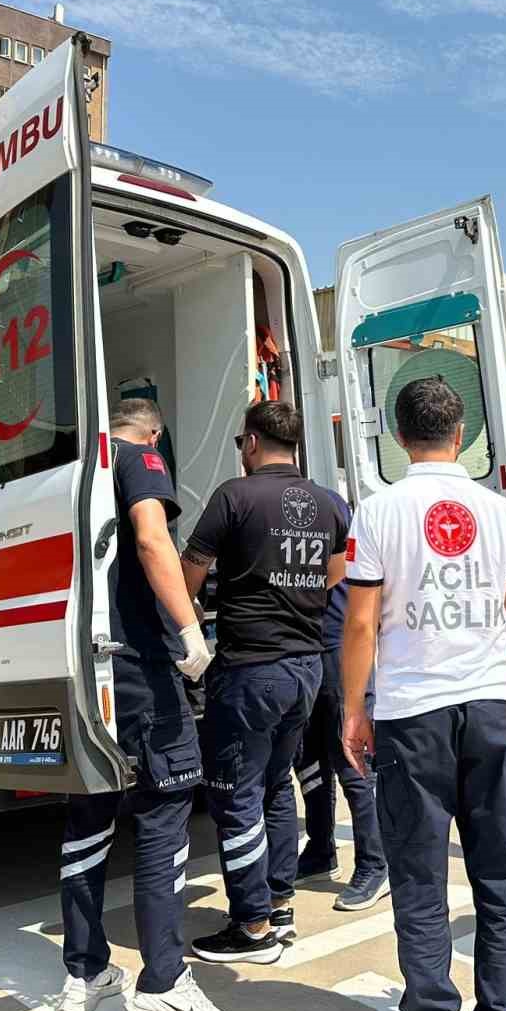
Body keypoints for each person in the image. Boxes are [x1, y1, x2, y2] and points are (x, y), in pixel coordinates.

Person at [340, 376, 506, 1011]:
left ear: (399, 439)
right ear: (463, 435)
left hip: (413, 715)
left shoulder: (377, 511)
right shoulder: (502, 512)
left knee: (419, 878)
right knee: (499, 876)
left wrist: (353, 707)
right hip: (490, 706)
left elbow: (361, 625)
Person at [57, 399, 238, 1011]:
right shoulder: (138, 457)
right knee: (166, 810)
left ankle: (84, 971)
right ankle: (164, 980)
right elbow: (151, 535)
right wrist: (190, 632)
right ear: (154, 430)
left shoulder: (72, 472)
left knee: (88, 814)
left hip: (81, 669)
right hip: (139, 668)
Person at [180, 401, 348, 964]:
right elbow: (338, 568)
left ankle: (251, 925)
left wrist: (185, 626)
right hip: (306, 665)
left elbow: (191, 570)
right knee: (278, 785)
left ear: (251, 443)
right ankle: (278, 903)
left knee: (234, 793)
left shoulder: (235, 496)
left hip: (252, 668)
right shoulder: (327, 502)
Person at [294, 488, 391, 911]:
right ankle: (320, 847)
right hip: (306, 644)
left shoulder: (340, 523)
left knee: (351, 761)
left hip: (338, 648)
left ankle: (375, 862)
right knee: (310, 757)